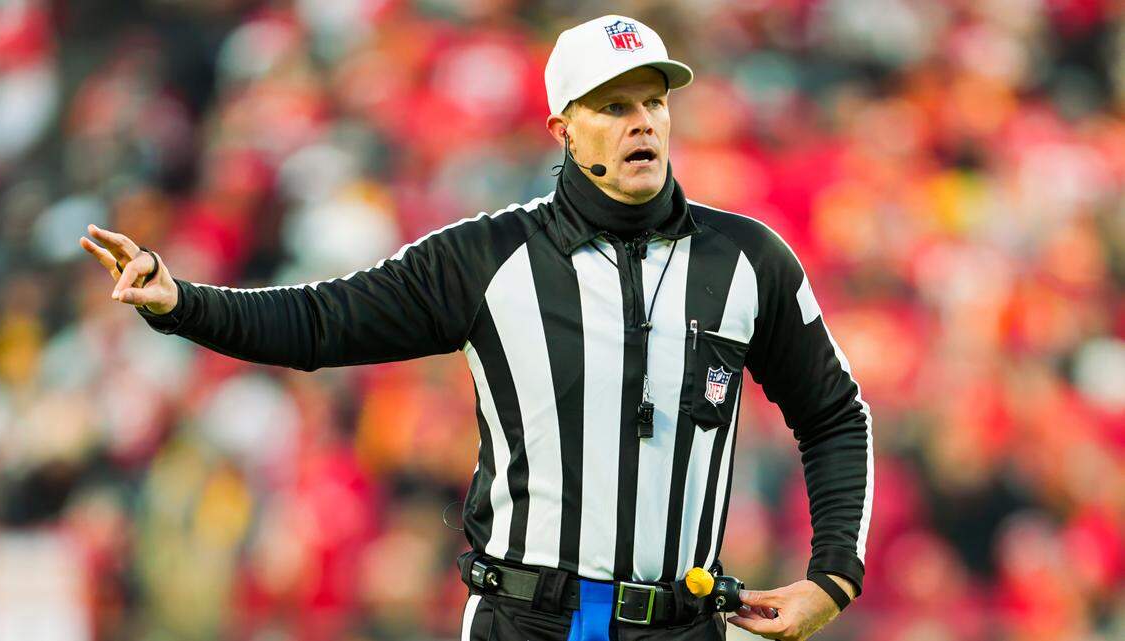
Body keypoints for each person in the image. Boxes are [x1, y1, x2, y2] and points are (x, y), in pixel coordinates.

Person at [80, 14, 872, 641]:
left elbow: (834, 413)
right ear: (564, 126)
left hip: (683, 623)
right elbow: (321, 321)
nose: (643, 123)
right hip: (525, 619)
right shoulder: (488, 256)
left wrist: (833, 576)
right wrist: (182, 302)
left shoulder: (748, 258)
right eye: (614, 105)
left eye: (654, 101)